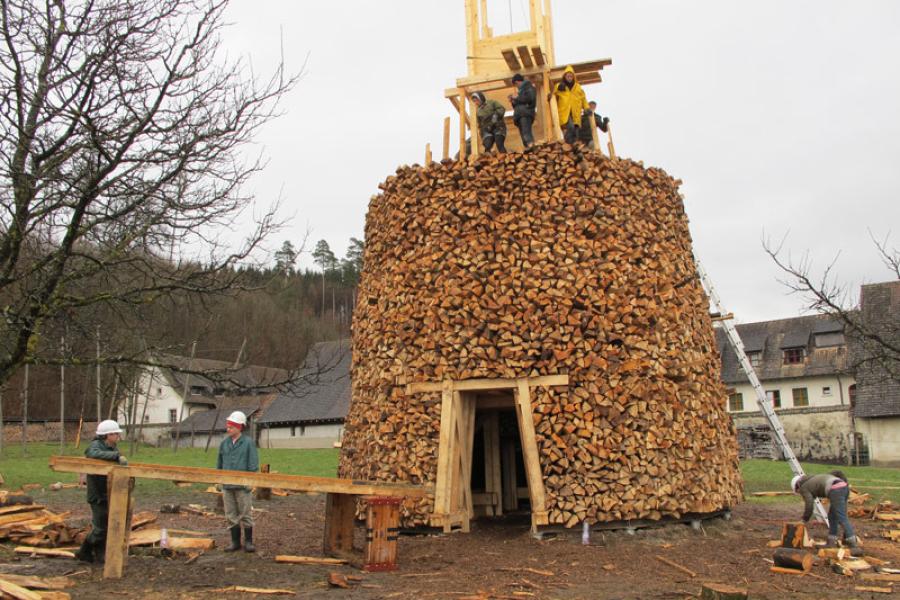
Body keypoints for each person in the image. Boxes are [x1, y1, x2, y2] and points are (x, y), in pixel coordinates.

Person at [75, 420, 128, 564]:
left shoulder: (113, 448)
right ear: (106, 435)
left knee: (107, 526)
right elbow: (92, 454)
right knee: (100, 528)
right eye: (115, 434)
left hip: (109, 493)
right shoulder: (95, 446)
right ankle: (84, 551)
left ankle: (100, 555)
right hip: (97, 494)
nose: (118, 436)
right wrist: (116, 457)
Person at [217, 411, 259, 552]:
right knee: (231, 515)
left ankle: (248, 542)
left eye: (232, 427)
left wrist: (250, 481)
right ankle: (235, 542)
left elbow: (253, 464)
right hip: (227, 485)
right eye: (228, 426)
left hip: (243, 486)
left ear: (239, 427)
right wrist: (218, 480)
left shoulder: (248, 443)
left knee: (245, 513)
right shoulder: (224, 444)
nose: (228, 429)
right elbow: (220, 463)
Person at [791, 472, 860, 548]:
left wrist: (804, 519)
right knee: (832, 516)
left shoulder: (804, 487)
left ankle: (852, 543)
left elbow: (809, 505)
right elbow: (837, 472)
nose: (800, 493)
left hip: (836, 490)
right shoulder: (813, 478)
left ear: (797, 486)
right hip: (844, 487)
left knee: (841, 516)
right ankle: (832, 541)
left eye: (798, 492)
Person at [553, 65, 589, 144]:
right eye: (568, 76)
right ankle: (568, 143)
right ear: (564, 76)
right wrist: (551, 94)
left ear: (573, 77)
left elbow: (583, 98)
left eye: (571, 76)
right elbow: (553, 96)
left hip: (575, 112)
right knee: (570, 127)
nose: (569, 78)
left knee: (576, 132)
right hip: (564, 111)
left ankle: (573, 148)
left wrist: (586, 108)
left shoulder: (578, 87)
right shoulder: (559, 86)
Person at [509, 73, 536, 148]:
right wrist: (513, 102)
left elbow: (530, 98)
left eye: (515, 84)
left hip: (525, 113)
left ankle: (531, 147)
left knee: (526, 132)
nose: (516, 86)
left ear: (517, 82)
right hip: (520, 114)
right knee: (523, 135)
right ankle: (529, 149)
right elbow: (519, 103)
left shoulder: (528, 87)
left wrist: (516, 98)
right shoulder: (521, 91)